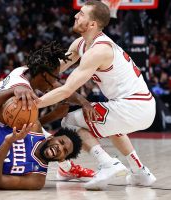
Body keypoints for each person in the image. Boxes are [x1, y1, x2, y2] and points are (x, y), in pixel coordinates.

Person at [37, 0, 156, 190]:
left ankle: (107, 164)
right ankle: (140, 172)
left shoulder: (99, 50)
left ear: (92, 24)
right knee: (109, 125)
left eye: (82, 14)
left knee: (70, 122)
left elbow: (67, 90)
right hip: (138, 106)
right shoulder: (81, 44)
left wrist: (35, 104)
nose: (76, 15)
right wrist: (32, 72)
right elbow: (56, 69)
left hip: (134, 106)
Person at [0, 41, 95, 180]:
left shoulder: (24, 70)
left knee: (49, 140)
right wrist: (54, 115)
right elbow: (28, 127)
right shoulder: (22, 93)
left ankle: (66, 168)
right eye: (55, 77)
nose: (56, 80)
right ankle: (66, 168)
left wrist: (84, 102)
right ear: (43, 74)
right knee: (43, 144)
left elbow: (61, 89)